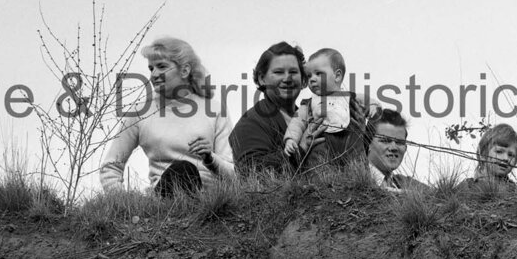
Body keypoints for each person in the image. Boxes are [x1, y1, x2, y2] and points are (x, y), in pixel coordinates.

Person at [99, 37, 235, 197]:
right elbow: (111, 166)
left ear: (185, 70)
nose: (154, 74)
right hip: (165, 204)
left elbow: (233, 175)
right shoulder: (140, 112)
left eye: (162, 67)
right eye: (151, 68)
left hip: (210, 206)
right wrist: (122, 203)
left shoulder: (215, 109)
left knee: (185, 170)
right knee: (182, 170)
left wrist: (210, 158)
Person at [230, 42, 363, 176]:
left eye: (293, 72)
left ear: (303, 79)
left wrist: (358, 134)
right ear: (262, 78)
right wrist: (300, 150)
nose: (287, 78)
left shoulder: (315, 112)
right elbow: (249, 174)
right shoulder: (250, 124)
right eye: (278, 72)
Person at [283, 48, 352, 165]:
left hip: (349, 143)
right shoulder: (309, 104)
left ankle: (361, 179)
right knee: (317, 166)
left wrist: (373, 106)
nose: (312, 79)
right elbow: (297, 122)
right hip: (320, 143)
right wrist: (291, 139)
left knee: (357, 165)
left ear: (337, 76)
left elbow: (366, 103)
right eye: (309, 76)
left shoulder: (349, 98)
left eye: (318, 73)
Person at [365, 108, 425, 192]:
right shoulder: (350, 180)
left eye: (399, 142)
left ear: (406, 148)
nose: (393, 147)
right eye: (385, 141)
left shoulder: (407, 183)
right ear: (368, 143)